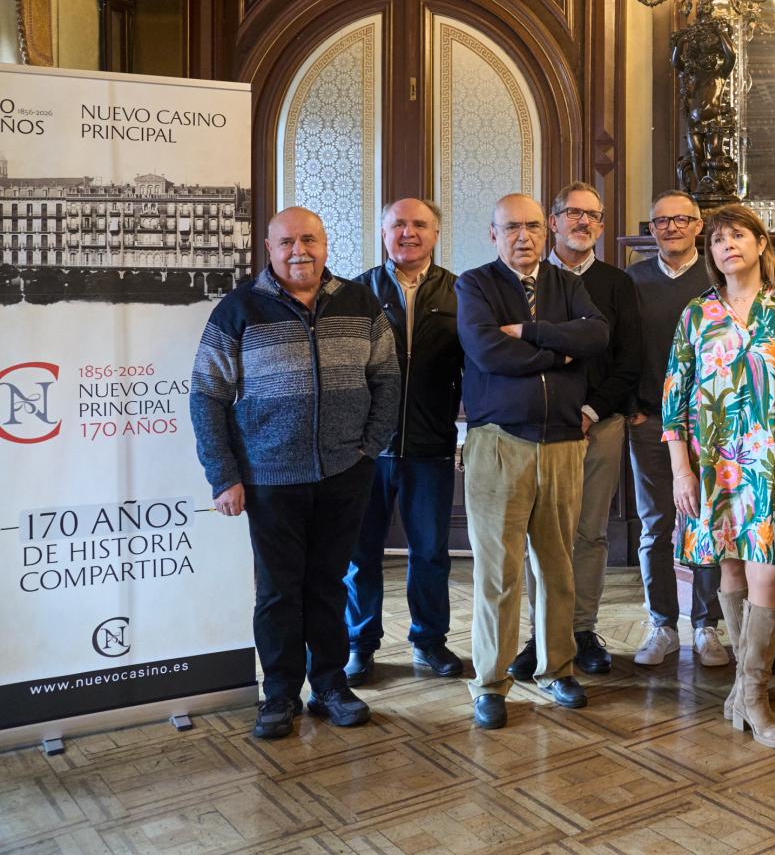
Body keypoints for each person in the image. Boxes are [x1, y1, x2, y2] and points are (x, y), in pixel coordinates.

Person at [191, 207, 400, 740]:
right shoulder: (238, 310)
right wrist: (224, 475)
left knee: (329, 584)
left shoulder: (360, 302)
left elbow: (387, 380)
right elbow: (208, 397)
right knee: (279, 591)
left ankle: (330, 684)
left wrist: (368, 448)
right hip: (268, 476)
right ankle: (279, 693)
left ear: (326, 244)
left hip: (343, 472)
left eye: (309, 240)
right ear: (269, 247)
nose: (299, 251)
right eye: (287, 242)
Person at [663, 203, 775, 748]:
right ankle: (744, 694)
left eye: (738, 235)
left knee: (770, 577)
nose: (726, 245)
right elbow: (674, 400)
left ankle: (753, 695)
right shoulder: (696, 314)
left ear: (762, 243)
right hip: (714, 469)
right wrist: (681, 472)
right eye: (717, 240)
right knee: (731, 574)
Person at [456, 193, 608, 729]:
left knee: (558, 566)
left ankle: (557, 669)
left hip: (564, 443)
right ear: (492, 234)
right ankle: (491, 683)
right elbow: (486, 351)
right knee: (499, 573)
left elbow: (597, 335)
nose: (524, 236)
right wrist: (561, 353)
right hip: (500, 443)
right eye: (512, 227)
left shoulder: (567, 283)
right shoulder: (475, 285)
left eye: (534, 227)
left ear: (547, 233)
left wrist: (534, 334)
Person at [508, 183, 642, 680]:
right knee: (538, 535)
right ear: (553, 221)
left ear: (601, 227)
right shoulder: (523, 281)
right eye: (572, 214)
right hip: (536, 427)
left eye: (593, 216)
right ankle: (541, 633)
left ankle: (581, 629)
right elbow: (514, 352)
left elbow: (628, 359)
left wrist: (590, 409)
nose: (583, 222)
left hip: (598, 424)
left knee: (589, 532)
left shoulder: (617, 284)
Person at [344, 198, 464, 686]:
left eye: (419, 225)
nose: (408, 233)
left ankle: (430, 641)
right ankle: (359, 645)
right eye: (398, 224)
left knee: (432, 551)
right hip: (366, 449)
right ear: (382, 231)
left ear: (436, 233)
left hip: (432, 444)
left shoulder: (461, 292)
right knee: (360, 554)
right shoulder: (356, 292)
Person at [623, 190, 727, 666]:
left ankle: (706, 626)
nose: (671, 228)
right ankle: (661, 624)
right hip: (650, 421)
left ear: (698, 225)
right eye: (661, 221)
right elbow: (619, 350)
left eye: (681, 219)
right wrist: (632, 407)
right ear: (652, 229)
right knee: (656, 525)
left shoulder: (718, 277)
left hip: (711, 426)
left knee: (706, 524)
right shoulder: (633, 281)